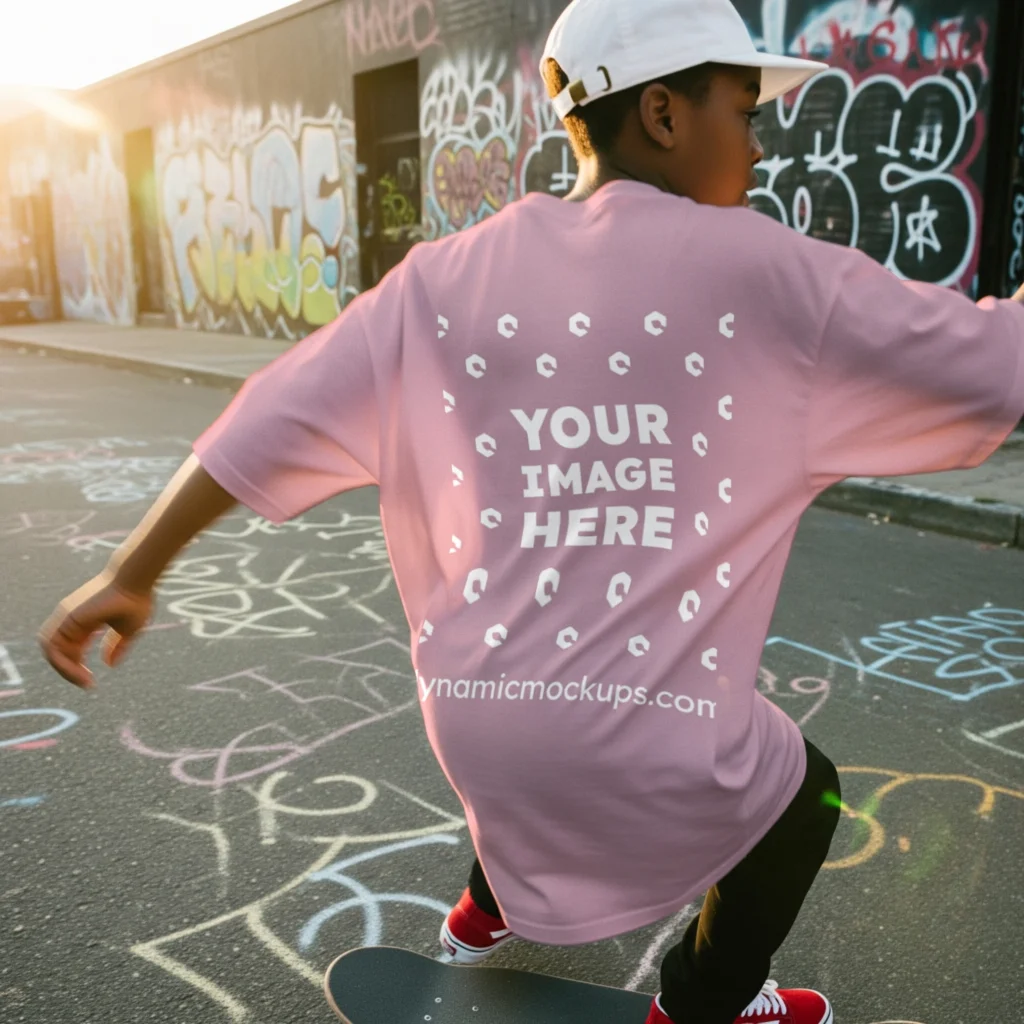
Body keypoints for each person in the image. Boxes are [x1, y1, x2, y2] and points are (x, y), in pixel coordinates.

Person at [38, 0, 1024, 1022]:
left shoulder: (437, 281)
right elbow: (995, 359)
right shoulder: (771, 272)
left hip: (472, 724)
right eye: (743, 108)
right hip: (647, 738)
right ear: (662, 113)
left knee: (537, 684)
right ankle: (700, 1004)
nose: (761, 143)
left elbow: (261, 421)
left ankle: (481, 908)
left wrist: (133, 571)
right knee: (803, 794)